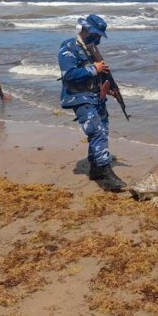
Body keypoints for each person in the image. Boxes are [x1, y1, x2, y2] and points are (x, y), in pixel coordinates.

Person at [57, 15, 126, 191]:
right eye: (96, 34)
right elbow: (69, 74)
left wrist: (106, 86)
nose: (98, 38)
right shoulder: (69, 46)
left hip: (97, 96)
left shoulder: (91, 48)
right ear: (85, 30)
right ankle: (106, 171)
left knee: (103, 129)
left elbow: (97, 74)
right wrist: (94, 69)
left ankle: (95, 167)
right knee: (97, 132)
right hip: (79, 97)